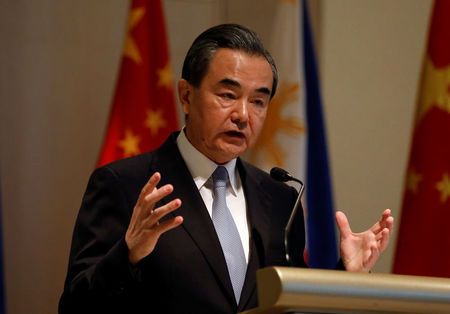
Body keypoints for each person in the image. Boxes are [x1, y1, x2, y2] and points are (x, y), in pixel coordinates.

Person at [59, 23, 393, 314]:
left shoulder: (279, 200)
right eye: (227, 95)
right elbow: (75, 307)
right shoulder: (124, 185)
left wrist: (347, 274)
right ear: (186, 96)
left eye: (258, 101)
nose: (243, 115)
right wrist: (128, 254)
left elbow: (290, 305)